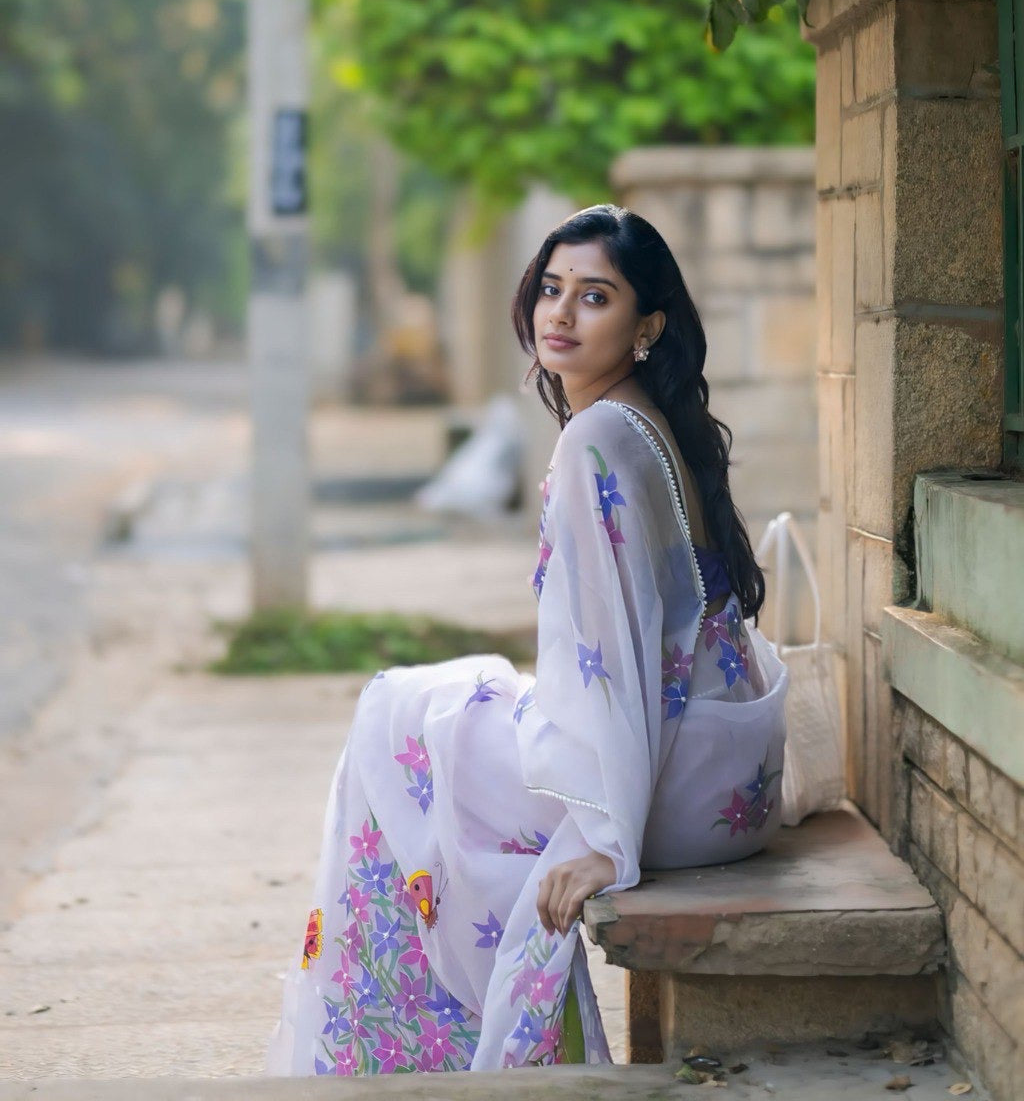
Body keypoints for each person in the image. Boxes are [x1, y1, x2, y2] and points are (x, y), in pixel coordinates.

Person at [265, 205, 789, 1076]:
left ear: (646, 326)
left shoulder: (596, 439)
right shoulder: (647, 418)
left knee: (394, 730)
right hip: (722, 775)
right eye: (553, 290)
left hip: (666, 791)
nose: (561, 315)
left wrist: (601, 841)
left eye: (595, 298)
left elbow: (614, 658)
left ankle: (414, 1057)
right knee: (432, 712)